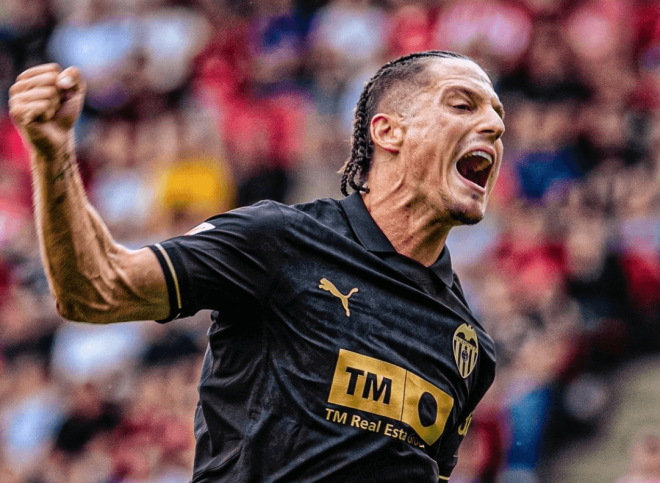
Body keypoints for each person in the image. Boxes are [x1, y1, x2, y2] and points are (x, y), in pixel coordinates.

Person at [8, 50, 505, 482]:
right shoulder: (278, 239)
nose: (495, 126)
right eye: (463, 104)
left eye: (497, 114)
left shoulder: (468, 344)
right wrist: (55, 155)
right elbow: (97, 290)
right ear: (388, 131)